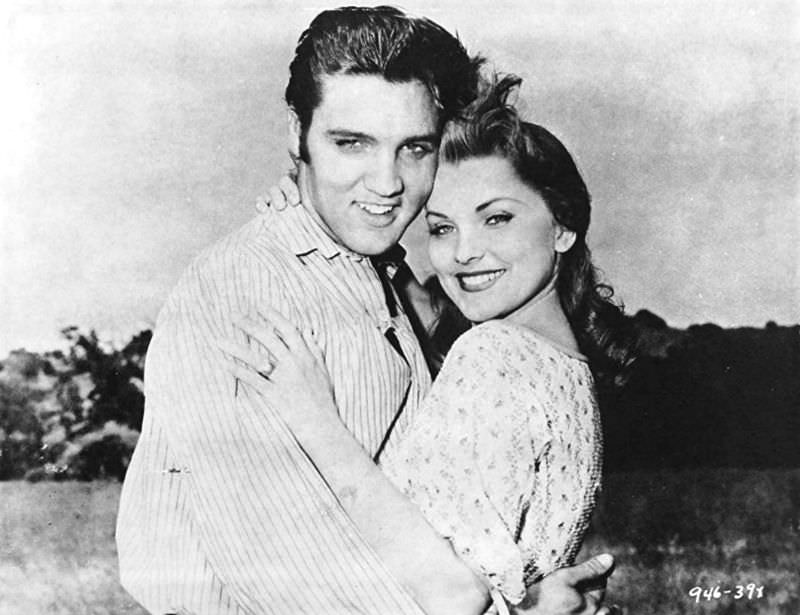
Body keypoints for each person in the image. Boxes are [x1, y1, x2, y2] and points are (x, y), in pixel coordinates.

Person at [116, 6, 618, 615]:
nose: (386, 182)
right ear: (296, 135)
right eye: (351, 143)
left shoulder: (397, 286)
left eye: (414, 148)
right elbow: (304, 585)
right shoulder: (248, 298)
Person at [235, 76, 634, 614]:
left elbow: (455, 597)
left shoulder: (496, 356)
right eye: (443, 228)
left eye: (497, 218)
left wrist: (313, 418)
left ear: (563, 228)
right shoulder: (562, 367)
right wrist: (309, 206)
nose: (464, 252)